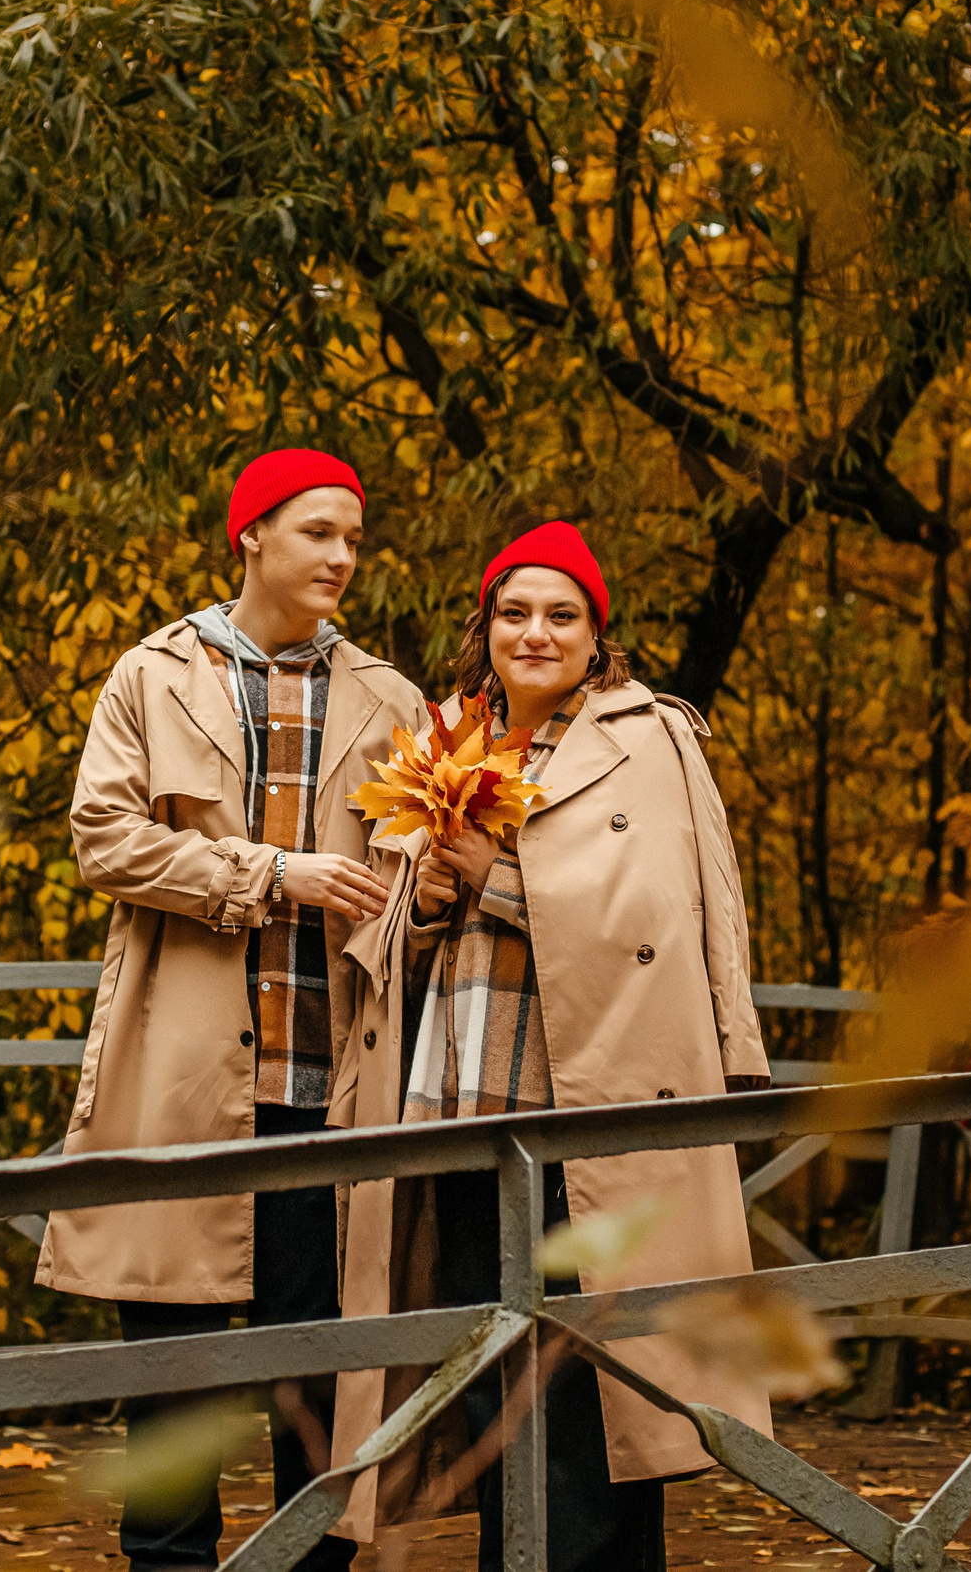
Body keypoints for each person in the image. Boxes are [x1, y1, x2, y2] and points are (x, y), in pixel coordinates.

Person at [329, 520, 773, 1572]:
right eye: (514, 613)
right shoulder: (435, 737)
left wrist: (498, 878)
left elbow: (671, 915)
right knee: (491, 1366)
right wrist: (426, 900)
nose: (535, 633)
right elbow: (384, 936)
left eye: (560, 615)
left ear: (594, 634)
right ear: (483, 628)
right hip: (462, 1099)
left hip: (596, 1104)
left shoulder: (647, 737)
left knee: (601, 1375)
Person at [35, 449, 430, 1572]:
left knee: (320, 1388)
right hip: (185, 1083)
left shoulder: (393, 700)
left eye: (353, 537)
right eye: (318, 533)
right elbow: (105, 842)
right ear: (250, 534)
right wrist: (270, 875)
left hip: (332, 1087)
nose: (343, 557)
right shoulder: (149, 677)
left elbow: (412, 880)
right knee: (173, 1384)